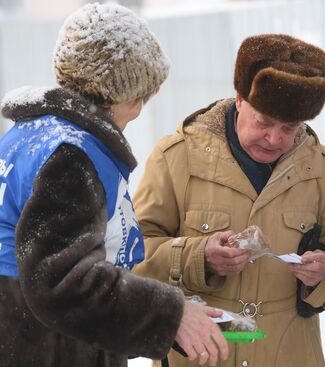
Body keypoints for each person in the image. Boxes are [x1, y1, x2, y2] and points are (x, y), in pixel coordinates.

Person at [0, 4, 228, 367]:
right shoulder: (70, 156)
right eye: (141, 95)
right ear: (131, 98)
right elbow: (60, 283)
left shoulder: (31, 136)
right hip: (49, 350)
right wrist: (171, 316)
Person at [131, 34, 325, 367]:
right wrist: (198, 257)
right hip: (201, 357)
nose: (275, 139)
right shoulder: (177, 157)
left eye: (289, 128)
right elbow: (130, 256)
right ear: (240, 99)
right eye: (264, 122)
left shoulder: (321, 170)